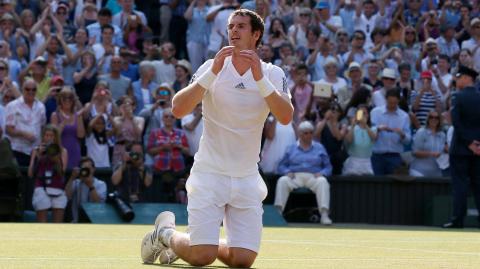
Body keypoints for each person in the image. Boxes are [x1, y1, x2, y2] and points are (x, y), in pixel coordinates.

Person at [140, 9, 293, 267]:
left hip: (246, 177)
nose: (233, 30)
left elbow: (286, 116)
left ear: (256, 35)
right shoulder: (211, 66)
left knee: (242, 260)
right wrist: (212, 73)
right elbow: (178, 109)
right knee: (203, 256)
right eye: (231, 26)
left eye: (241, 26)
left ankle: (183, 242)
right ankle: (165, 234)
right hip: (209, 174)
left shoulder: (273, 73)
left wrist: (259, 78)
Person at [274, 121, 333, 225]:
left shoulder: (319, 147)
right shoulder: (291, 148)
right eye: (306, 133)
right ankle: (278, 214)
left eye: (311, 132)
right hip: (295, 177)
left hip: (313, 177)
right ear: (300, 134)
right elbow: (281, 166)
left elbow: (328, 167)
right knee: (282, 181)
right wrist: (287, 172)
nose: (309, 135)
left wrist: (322, 173)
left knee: (323, 181)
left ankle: (324, 215)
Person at [443, 66, 480, 229]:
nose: (457, 81)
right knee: (479, 186)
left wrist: (469, 143)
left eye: (459, 78)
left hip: (461, 149)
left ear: (466, 78)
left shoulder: (457, 96)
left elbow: (456, 123)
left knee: (460, 186)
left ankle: (458, 219)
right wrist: (477, 143)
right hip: (478, 150)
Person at [28, 125, 68, 223]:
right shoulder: (36, 150)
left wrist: (56, 159)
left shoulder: (62, 151)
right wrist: (38, 156)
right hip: (41, 186)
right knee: (42, 223)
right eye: (46, 135)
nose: (49, 138)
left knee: (58, 224)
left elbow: (62, 173)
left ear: (56, 137)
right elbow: (30, 174)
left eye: (51, 136)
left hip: (57, 187)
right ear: (43, 137)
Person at [5, 79, 47, 166]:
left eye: (33, 89)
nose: (30, 92)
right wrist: (23, 133)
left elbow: (43, 127)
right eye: (28, 89)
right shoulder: (12, 106)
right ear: (22, 89)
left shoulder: (41, 107)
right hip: (18, 151)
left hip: (36, 152)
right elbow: (8, 129)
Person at [370, 88, 411, 176]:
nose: (392, 105)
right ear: (385, 99)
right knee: (376, 184)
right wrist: (378, 129)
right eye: (390, 102)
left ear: (399, 101)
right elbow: (369, 134)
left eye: (395, 103)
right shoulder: (375, 112)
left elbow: (408, 140)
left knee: (395, 187)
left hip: (395, 156)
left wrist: (402, 134)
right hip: (377, 156)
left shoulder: (404, 116)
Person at [65, 157, 107, 222]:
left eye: (88, 169)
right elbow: (66, 197)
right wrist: (72, 178)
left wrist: (91, 186)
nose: (86, 171)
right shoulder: (76, 182)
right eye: (84, 169)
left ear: (93, 169)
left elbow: (99, 204)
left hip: (94, 222)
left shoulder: (101, 184)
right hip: (77, 222)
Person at [410, 110, 446, 177]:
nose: (434, 119)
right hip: (419, 172)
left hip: (436, 172)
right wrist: (431, 154)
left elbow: (442, 153)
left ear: (439, 120)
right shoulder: (421, 132)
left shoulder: (442, 135)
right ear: (428, 119)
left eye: (436, 117)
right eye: (431, 117)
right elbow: (415, 152)